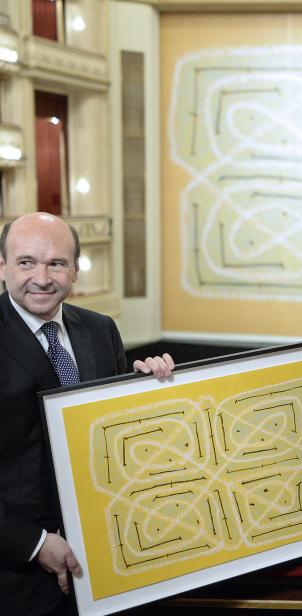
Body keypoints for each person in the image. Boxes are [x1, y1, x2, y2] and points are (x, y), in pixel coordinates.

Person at [0, 213, 175, 616]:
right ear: (4, 266)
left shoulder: (100, 330)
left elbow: (114, 441)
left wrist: (144, 388)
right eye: (26, 262)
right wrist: (36, 544)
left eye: (57, 263)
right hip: (17, 581)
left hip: (106, 566)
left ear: (76, 270)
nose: (42, 277)